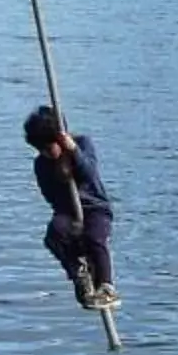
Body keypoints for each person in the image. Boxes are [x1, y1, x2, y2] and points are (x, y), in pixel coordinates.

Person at [22, 105, 116, 310]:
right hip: (67, 211)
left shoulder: (82, 144)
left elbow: (89, 174)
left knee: (95, 238)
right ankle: (79, 274)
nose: (45, 153)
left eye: (49, 148)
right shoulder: (41, 164)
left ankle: (106, 288)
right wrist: (60, 178)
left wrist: (73, 153)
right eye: (41, 150)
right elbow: (49, 195)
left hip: (94, 208)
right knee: (54, 234)